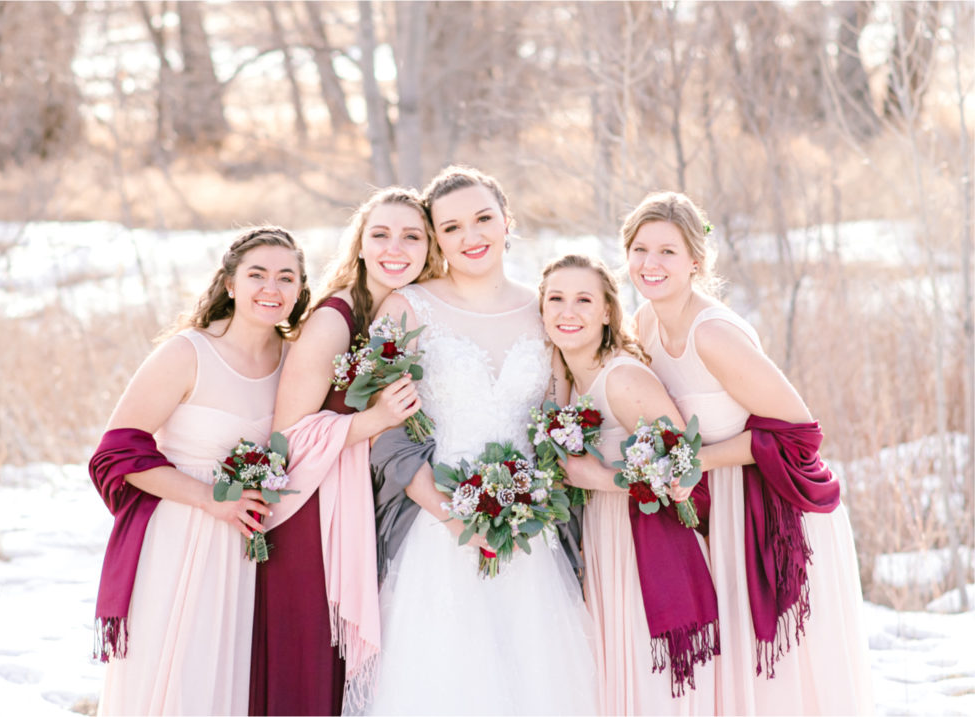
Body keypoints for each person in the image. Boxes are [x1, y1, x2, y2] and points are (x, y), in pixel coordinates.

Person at [622, 191, 874, 715]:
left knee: (780, 679)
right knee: (733, 673)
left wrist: (699, 464)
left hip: (771, 510)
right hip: (717, 511)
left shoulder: (712, 334)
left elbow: (800, 433)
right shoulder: (643, 322)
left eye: (667, 251)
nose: (650, 263)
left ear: (696, 260)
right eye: (640, 249)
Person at [362, 166, 598, 715]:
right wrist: (455, 520)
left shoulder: (545, 308)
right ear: (436, 239)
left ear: (507, 220)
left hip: (529, 530)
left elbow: (556, 422)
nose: (471, 237)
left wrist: (531, 500)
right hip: (435, 528)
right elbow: (385, 433)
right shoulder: (406, 308)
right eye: (451, 227)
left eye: (483, 218)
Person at [89, 227, 311, 715]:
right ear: (230, 283)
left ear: (300, 290)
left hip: (251, 551)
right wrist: (211, 498)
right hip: (179, 537)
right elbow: (116, 453)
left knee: (228, 688)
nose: (271, 288)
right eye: (257, 274)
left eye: (286, 277)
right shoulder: (188, 352)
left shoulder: (298, 361)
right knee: (176, 683)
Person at [249, 187, 443, 716]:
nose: (394, 248)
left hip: (365, 505)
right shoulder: (337, 318)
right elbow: (287, 441)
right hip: (311, 514)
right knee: (309, 663)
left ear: (430, 248)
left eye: (411, 236)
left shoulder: (413, 313)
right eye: (379, 234)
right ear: (359, 245)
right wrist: (375, 420)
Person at [541, 253, 718, 715]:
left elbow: (686, 470)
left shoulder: (622, 379)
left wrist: (599, 477)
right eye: (555, 299)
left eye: (584, 299)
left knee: (645, 679)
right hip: (604, 539)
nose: (568, 311)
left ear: (606, 312)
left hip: (644, 544)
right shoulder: (570, 377)